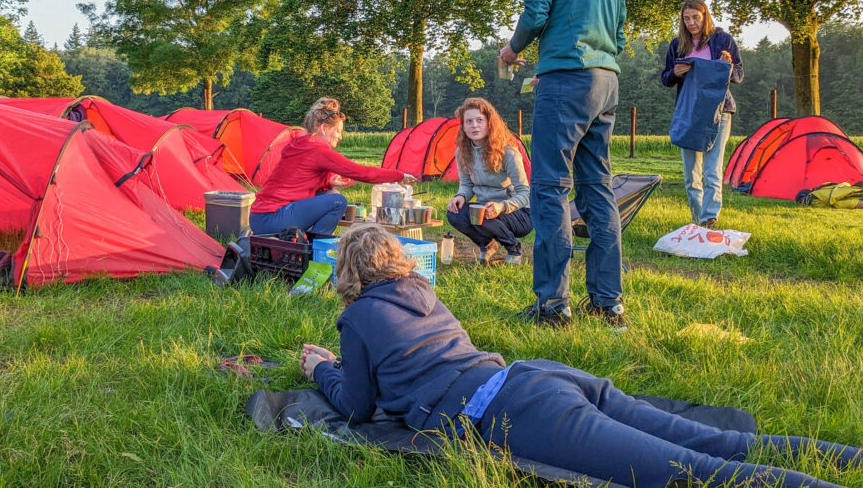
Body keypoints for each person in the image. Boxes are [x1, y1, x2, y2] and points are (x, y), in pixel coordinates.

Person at [301, 224, 860, 488]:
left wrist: (322, 367)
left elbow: (356, 406)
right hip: (537, 374)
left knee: (696, 474)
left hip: (514, 412)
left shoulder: (357, 317)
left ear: (350, 272)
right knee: (719, 444)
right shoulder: (424, 293)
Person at [498, 0, 627, 327]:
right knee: (598, 187)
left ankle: (553, 306)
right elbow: (619, 30)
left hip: (568, 80)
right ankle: (609, 304)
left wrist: (512, 50)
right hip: (605, 80)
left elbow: (536, 13)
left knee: (550, 188)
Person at [251, 98, 415, 235]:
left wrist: (328, 183)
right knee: (337, 201)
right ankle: (317, 249)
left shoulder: (301, 145)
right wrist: (399, 175)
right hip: (271, 218)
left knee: (330, 193)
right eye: (338, 131)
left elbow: (296, 183)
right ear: (323, 128)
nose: (340, 137)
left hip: (261, 217)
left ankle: (306, 243)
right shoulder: (318, 150)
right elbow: (361, 172)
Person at [660, 0, 744, 229]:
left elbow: (738, 75)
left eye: (695, 17)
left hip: (720, 111)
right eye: (686, 19)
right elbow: (665, 78)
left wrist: (725, 65)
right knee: (691, 174)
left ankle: (709, 219)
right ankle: (697, 221)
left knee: (712, 171)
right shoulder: (678, 44)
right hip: (689, 112)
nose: (691, 23)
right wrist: (675, 73)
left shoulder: (722, 40)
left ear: (705, 15)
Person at [446, 98, 531, 265]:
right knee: (455, 213)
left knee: (482, 215)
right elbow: (467, 184)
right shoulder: (462, 151)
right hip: (485, 208)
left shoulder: (508, 152)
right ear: (463, 126)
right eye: (468, 121)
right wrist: (461, 196)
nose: (474, 126)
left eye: (479, 120)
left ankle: (514, 248)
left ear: (489, 123)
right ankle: (487, 245)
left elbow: (525, 193)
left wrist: (502, 206)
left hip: (518, 212)